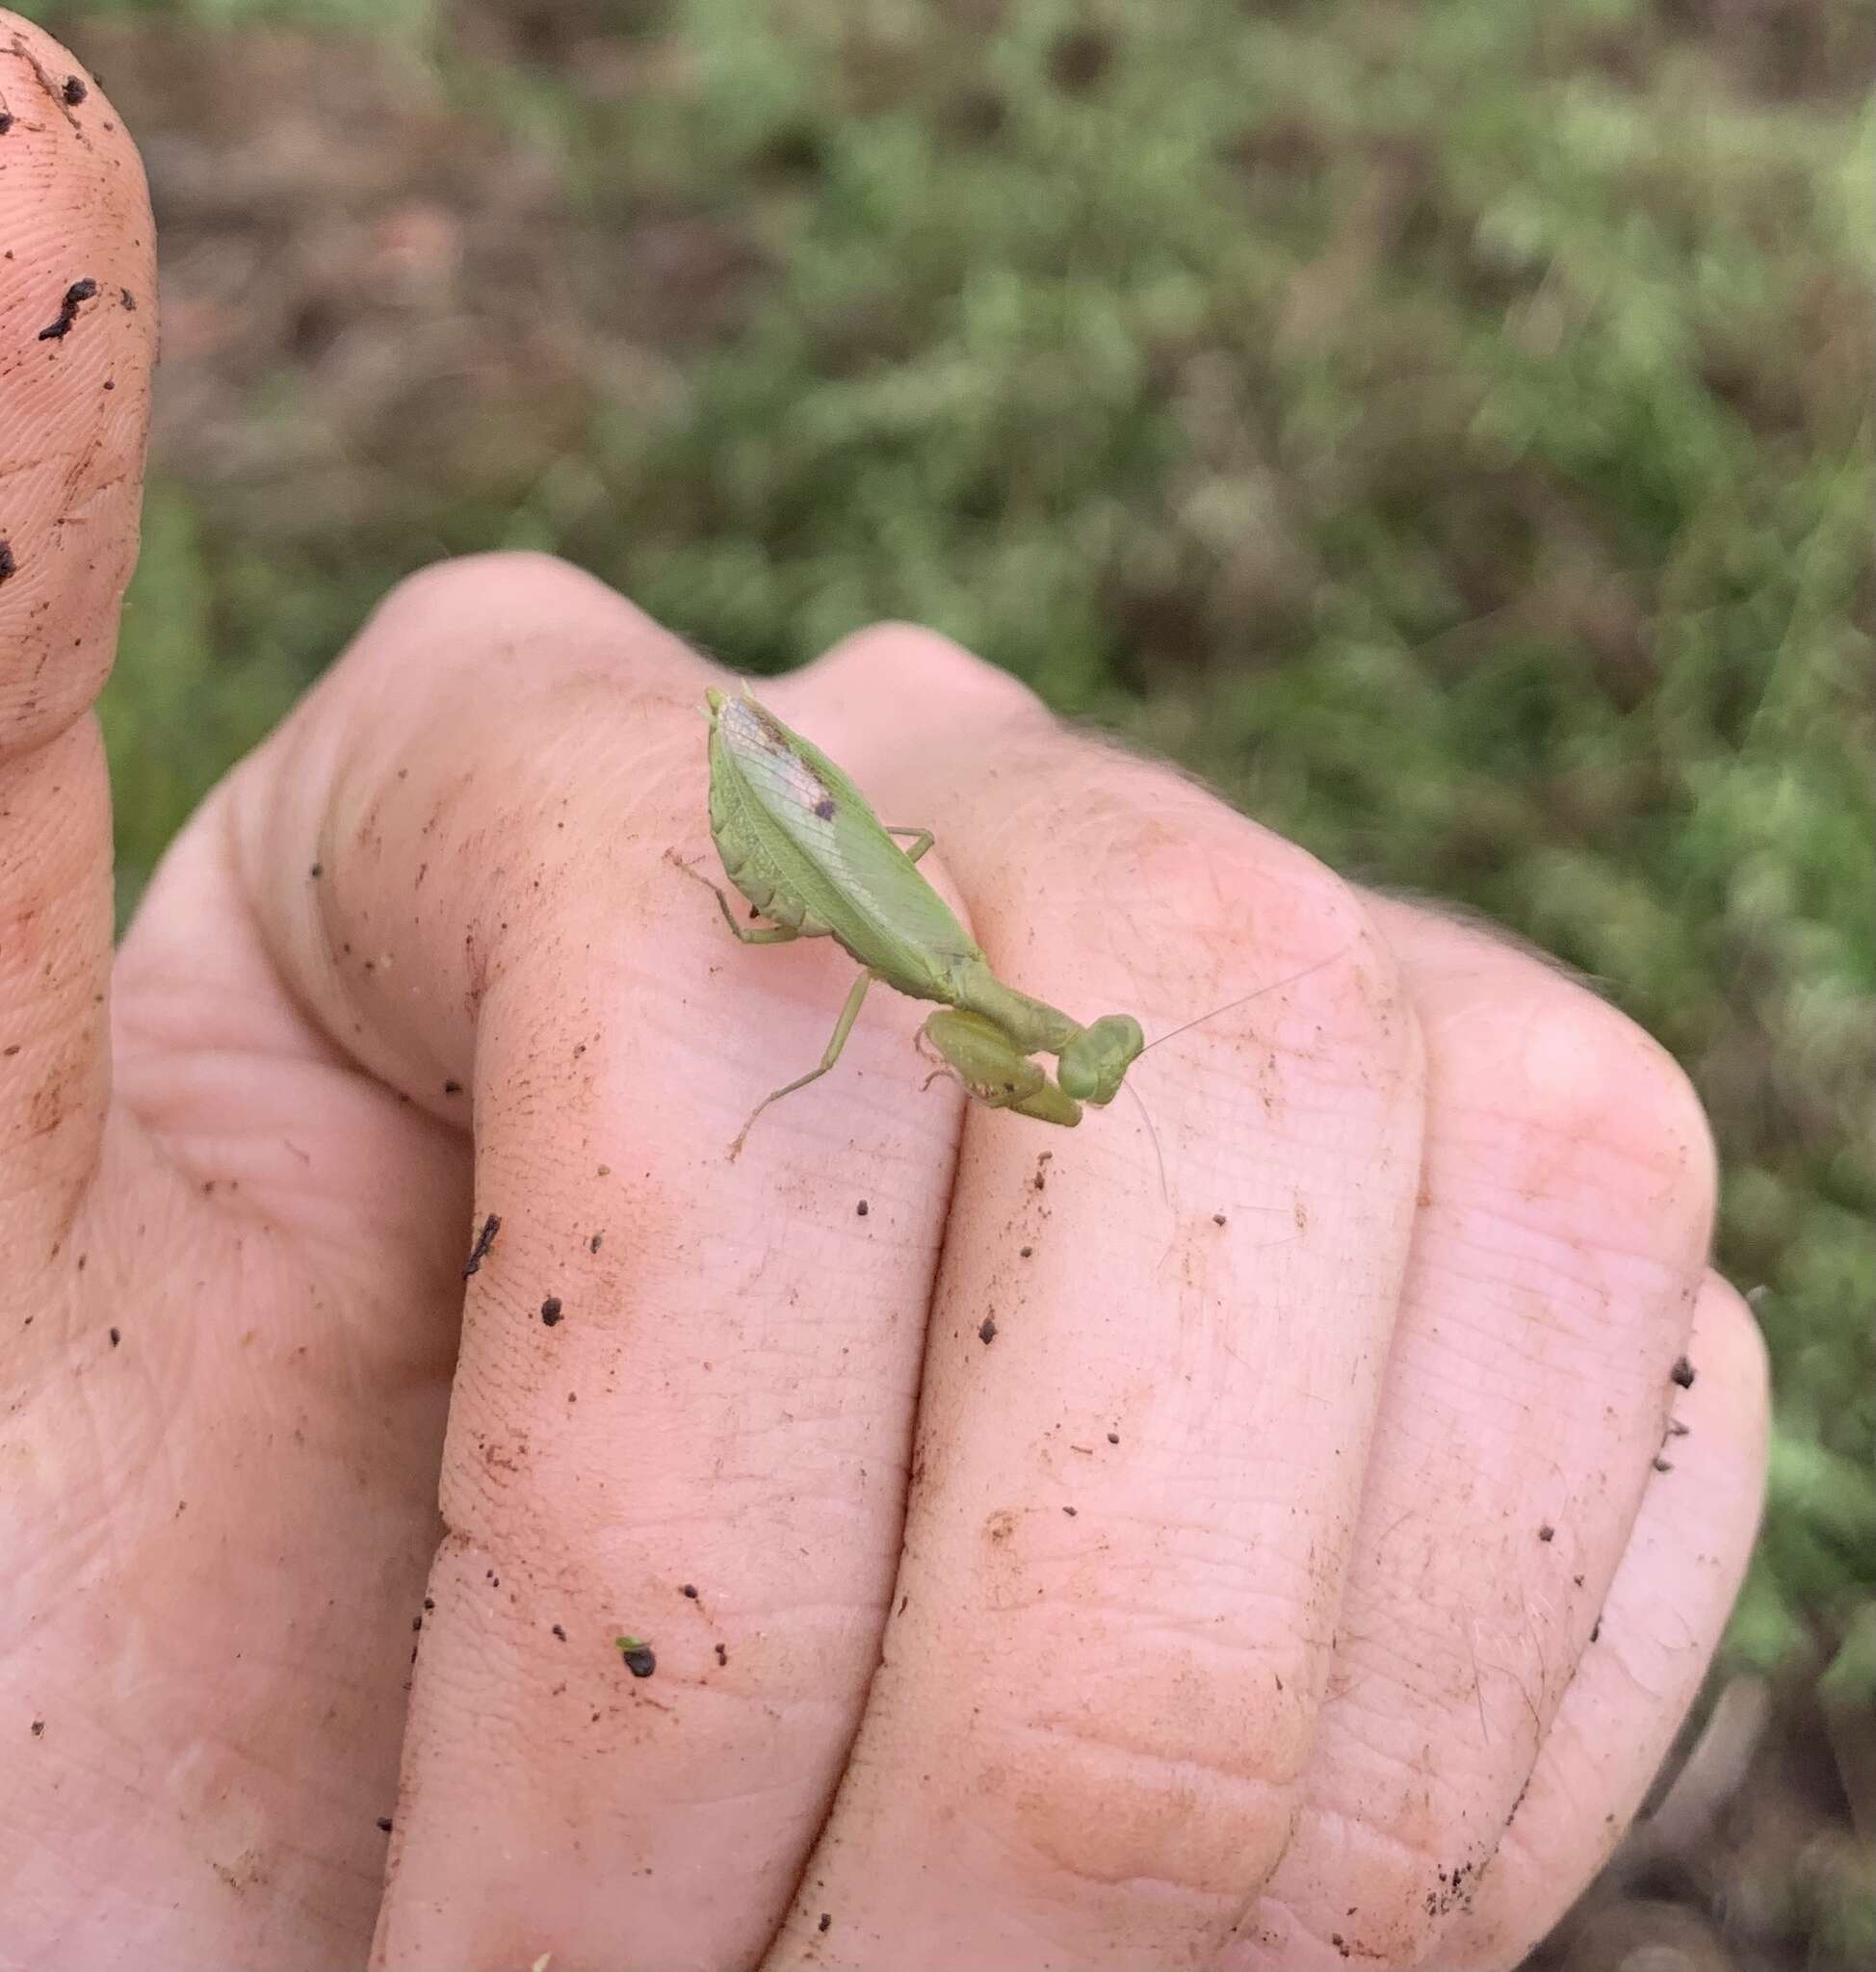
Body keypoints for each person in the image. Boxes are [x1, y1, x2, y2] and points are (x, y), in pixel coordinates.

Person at [0, 17, 1767, 1970]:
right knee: (815, 986)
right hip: (786, 847)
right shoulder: (935, 981)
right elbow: (868, 958)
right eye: (1068, 1069)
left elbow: (925, 976)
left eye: (1069, 1075)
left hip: (813, 864)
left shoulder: (962, 990)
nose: (1062, 1082)